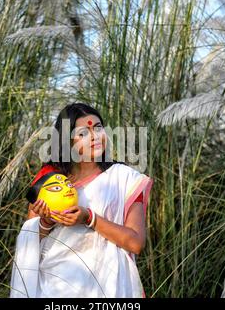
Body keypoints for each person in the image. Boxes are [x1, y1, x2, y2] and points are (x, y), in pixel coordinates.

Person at [10, 103, 153, 298]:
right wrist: (45, 222)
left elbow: (136, 243)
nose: (94, 137)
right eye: (83, 133)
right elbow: (29, 243)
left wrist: (89, 218)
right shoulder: (50, 180)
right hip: (55, 287)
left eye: (98, 128)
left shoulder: (125, 179)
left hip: (108, 287)